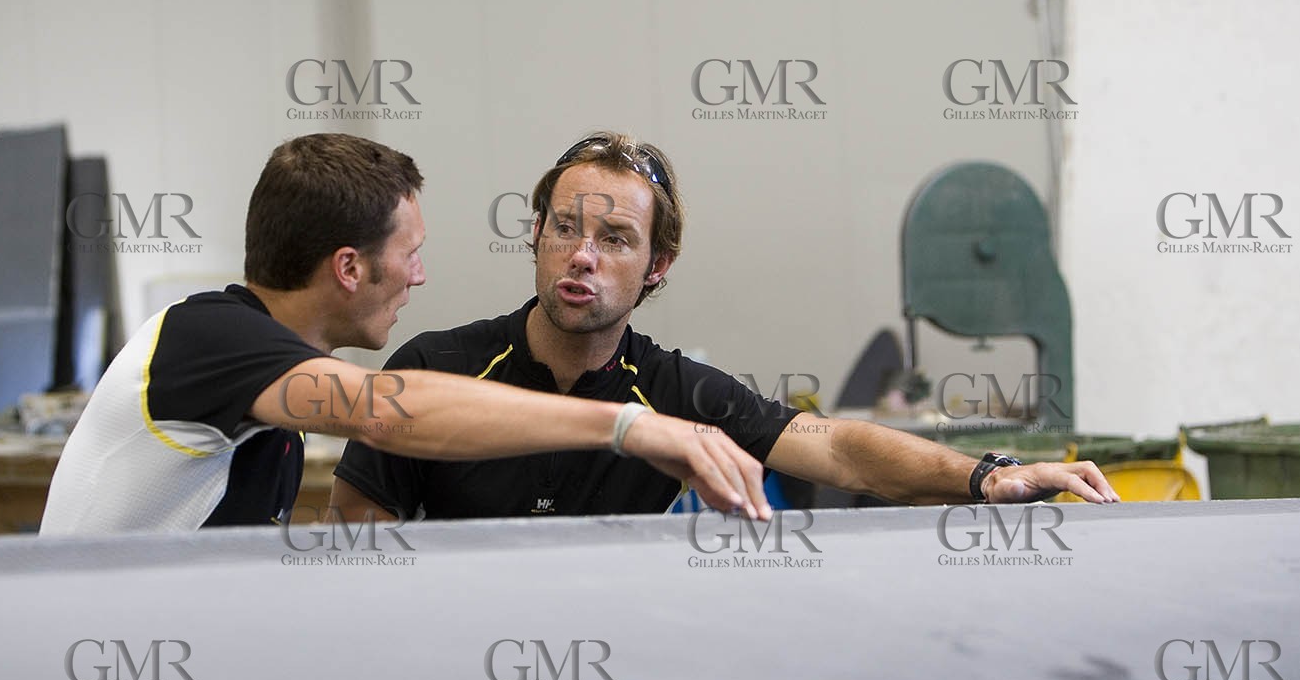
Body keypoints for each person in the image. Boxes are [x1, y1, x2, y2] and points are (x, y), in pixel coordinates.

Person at [329, 130, 1119, 521]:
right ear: (535, 235)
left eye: (616, 239)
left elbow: (840, 448)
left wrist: (986, 474)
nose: (582, 255)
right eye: (565, 227)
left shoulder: (678, 392)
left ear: (658, 265)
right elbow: (356, 550)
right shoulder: (432, 369)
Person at [39, 133, 770, 535]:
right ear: (350, 267)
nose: (419, 276)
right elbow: (388, 410)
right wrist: (630, 428)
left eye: (615, 239)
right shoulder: (208, 337)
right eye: (410, 254)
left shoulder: (265, 387)